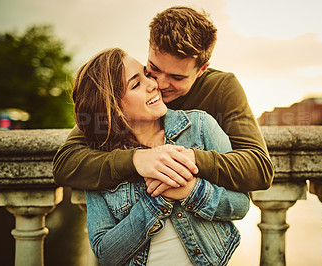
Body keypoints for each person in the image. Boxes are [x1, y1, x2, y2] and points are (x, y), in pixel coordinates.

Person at [53, 6, 274, 195]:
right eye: (154, 69)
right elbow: (66, 163)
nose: (158, 83)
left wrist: (187, 159)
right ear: (149, 48)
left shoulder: (222, 87)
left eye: (177, 77)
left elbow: (259, 168)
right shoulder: (130, 93)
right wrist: (137, 160)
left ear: (201, 70)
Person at [75, 47, 250, 265]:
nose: (154, 84)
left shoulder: (200, 126)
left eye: (146, 75)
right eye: (136, 84)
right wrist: (157, 202)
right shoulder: (99, 160)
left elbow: (241, 205)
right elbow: (106, 253)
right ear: (113, 107)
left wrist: (191, 191)